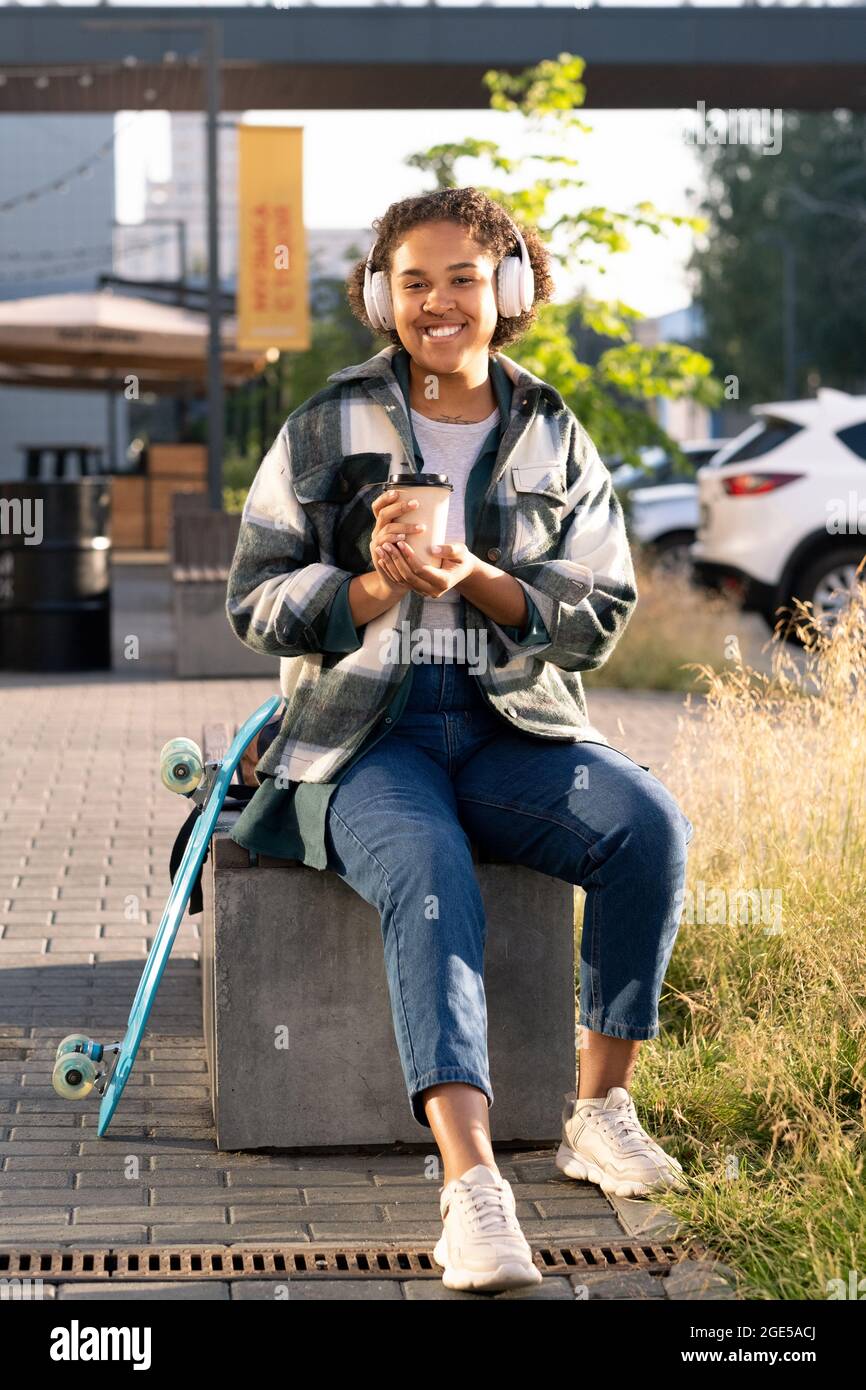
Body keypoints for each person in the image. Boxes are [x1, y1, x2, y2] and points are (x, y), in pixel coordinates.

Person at [225, 186, 694, 1294]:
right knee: (430, 875)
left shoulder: (553, 430)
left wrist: (479, 580)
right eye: (414, 280)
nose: (438, 302)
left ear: (510, 291)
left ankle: (596, 1111)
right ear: (380, 297)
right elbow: (254, 598)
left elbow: (598, 613)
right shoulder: (325, 425)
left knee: (645, 825)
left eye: (464, 279)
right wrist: (367, 588)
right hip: (363, 737)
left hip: (507, 727)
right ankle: (472, 1191)